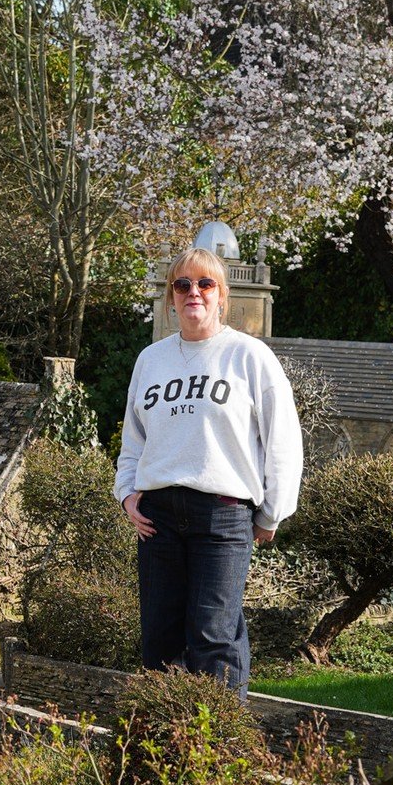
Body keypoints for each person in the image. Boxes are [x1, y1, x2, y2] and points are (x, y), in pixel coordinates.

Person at [114, 245, 303, 697]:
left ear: (223, 295)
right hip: (157, 520)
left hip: (222, 514)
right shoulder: (151, 360)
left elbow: (283, 440)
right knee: (159, 642)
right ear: (170, 298)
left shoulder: (249, 356)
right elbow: (133, 442)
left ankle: (220, 748)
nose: (193, 292)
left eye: (205, 283)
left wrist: (271, 513)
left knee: (213, 638)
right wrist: (127, 494)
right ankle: (162, 744)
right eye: (182, 284)